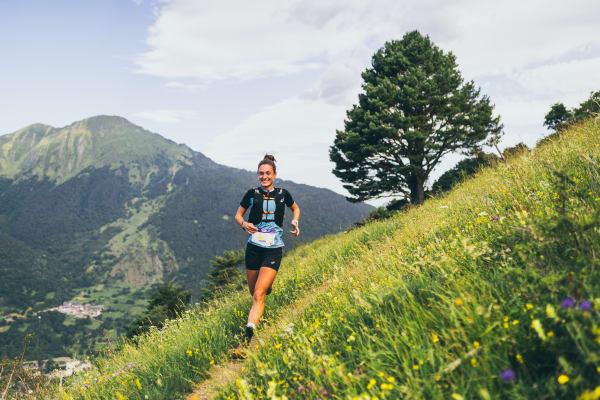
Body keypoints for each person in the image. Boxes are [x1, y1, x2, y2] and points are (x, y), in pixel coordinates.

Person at [234, 154, 300, 344]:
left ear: (275, 174)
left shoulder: (283, 194)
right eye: (261, 173)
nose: (264, 176)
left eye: (267, 173)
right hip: (254, 248)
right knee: (254, 290)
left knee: (257, 295)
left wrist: (295, 220)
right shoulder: (251, 194)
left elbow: (295, 208)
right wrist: (244, 224)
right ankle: (266, 286)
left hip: (273, 248)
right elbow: (238, 215)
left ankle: (247, 338)